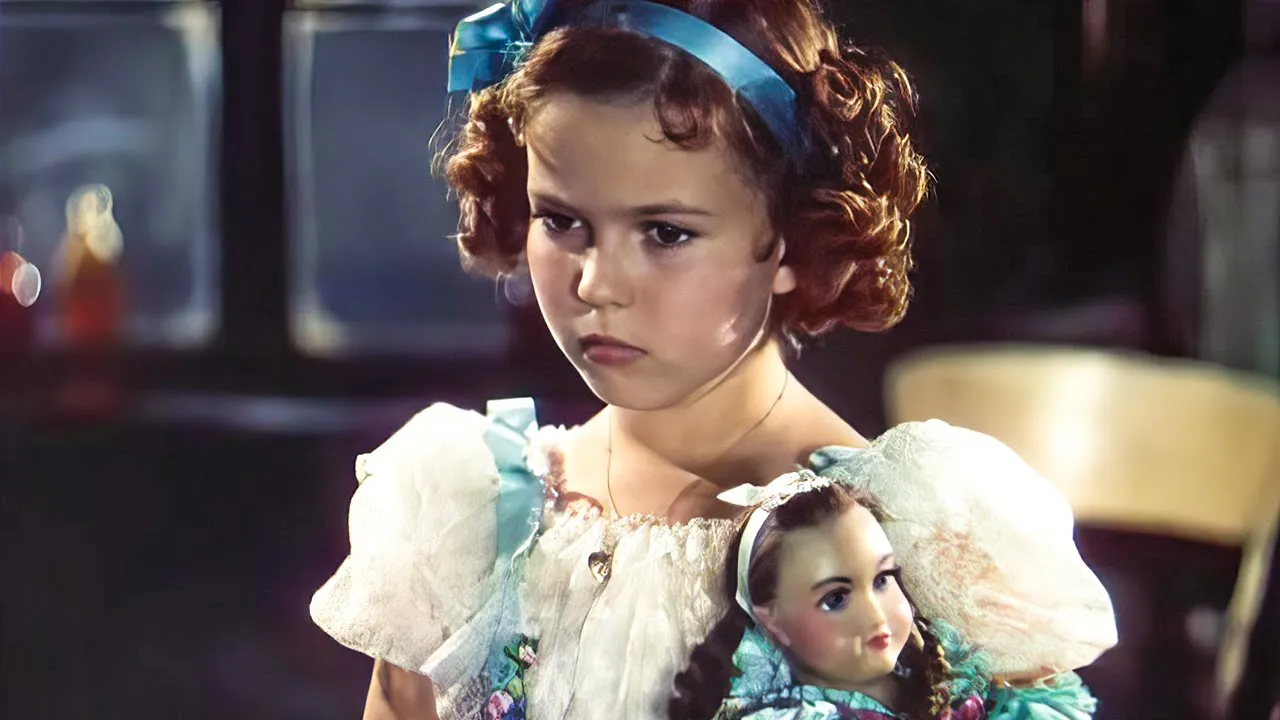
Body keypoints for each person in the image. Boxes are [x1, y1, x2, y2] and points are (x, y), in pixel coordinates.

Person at [308, 1, 1116, 718]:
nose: (596, 283)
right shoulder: (468, 511)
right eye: (561, 221)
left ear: (792, 240)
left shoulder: (907, 538)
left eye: (665, 233)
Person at [671, 463, 1100, 719]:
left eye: (882, 579)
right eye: (836, 598)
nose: (877, 616)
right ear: (772, 619)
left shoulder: (948, 671)